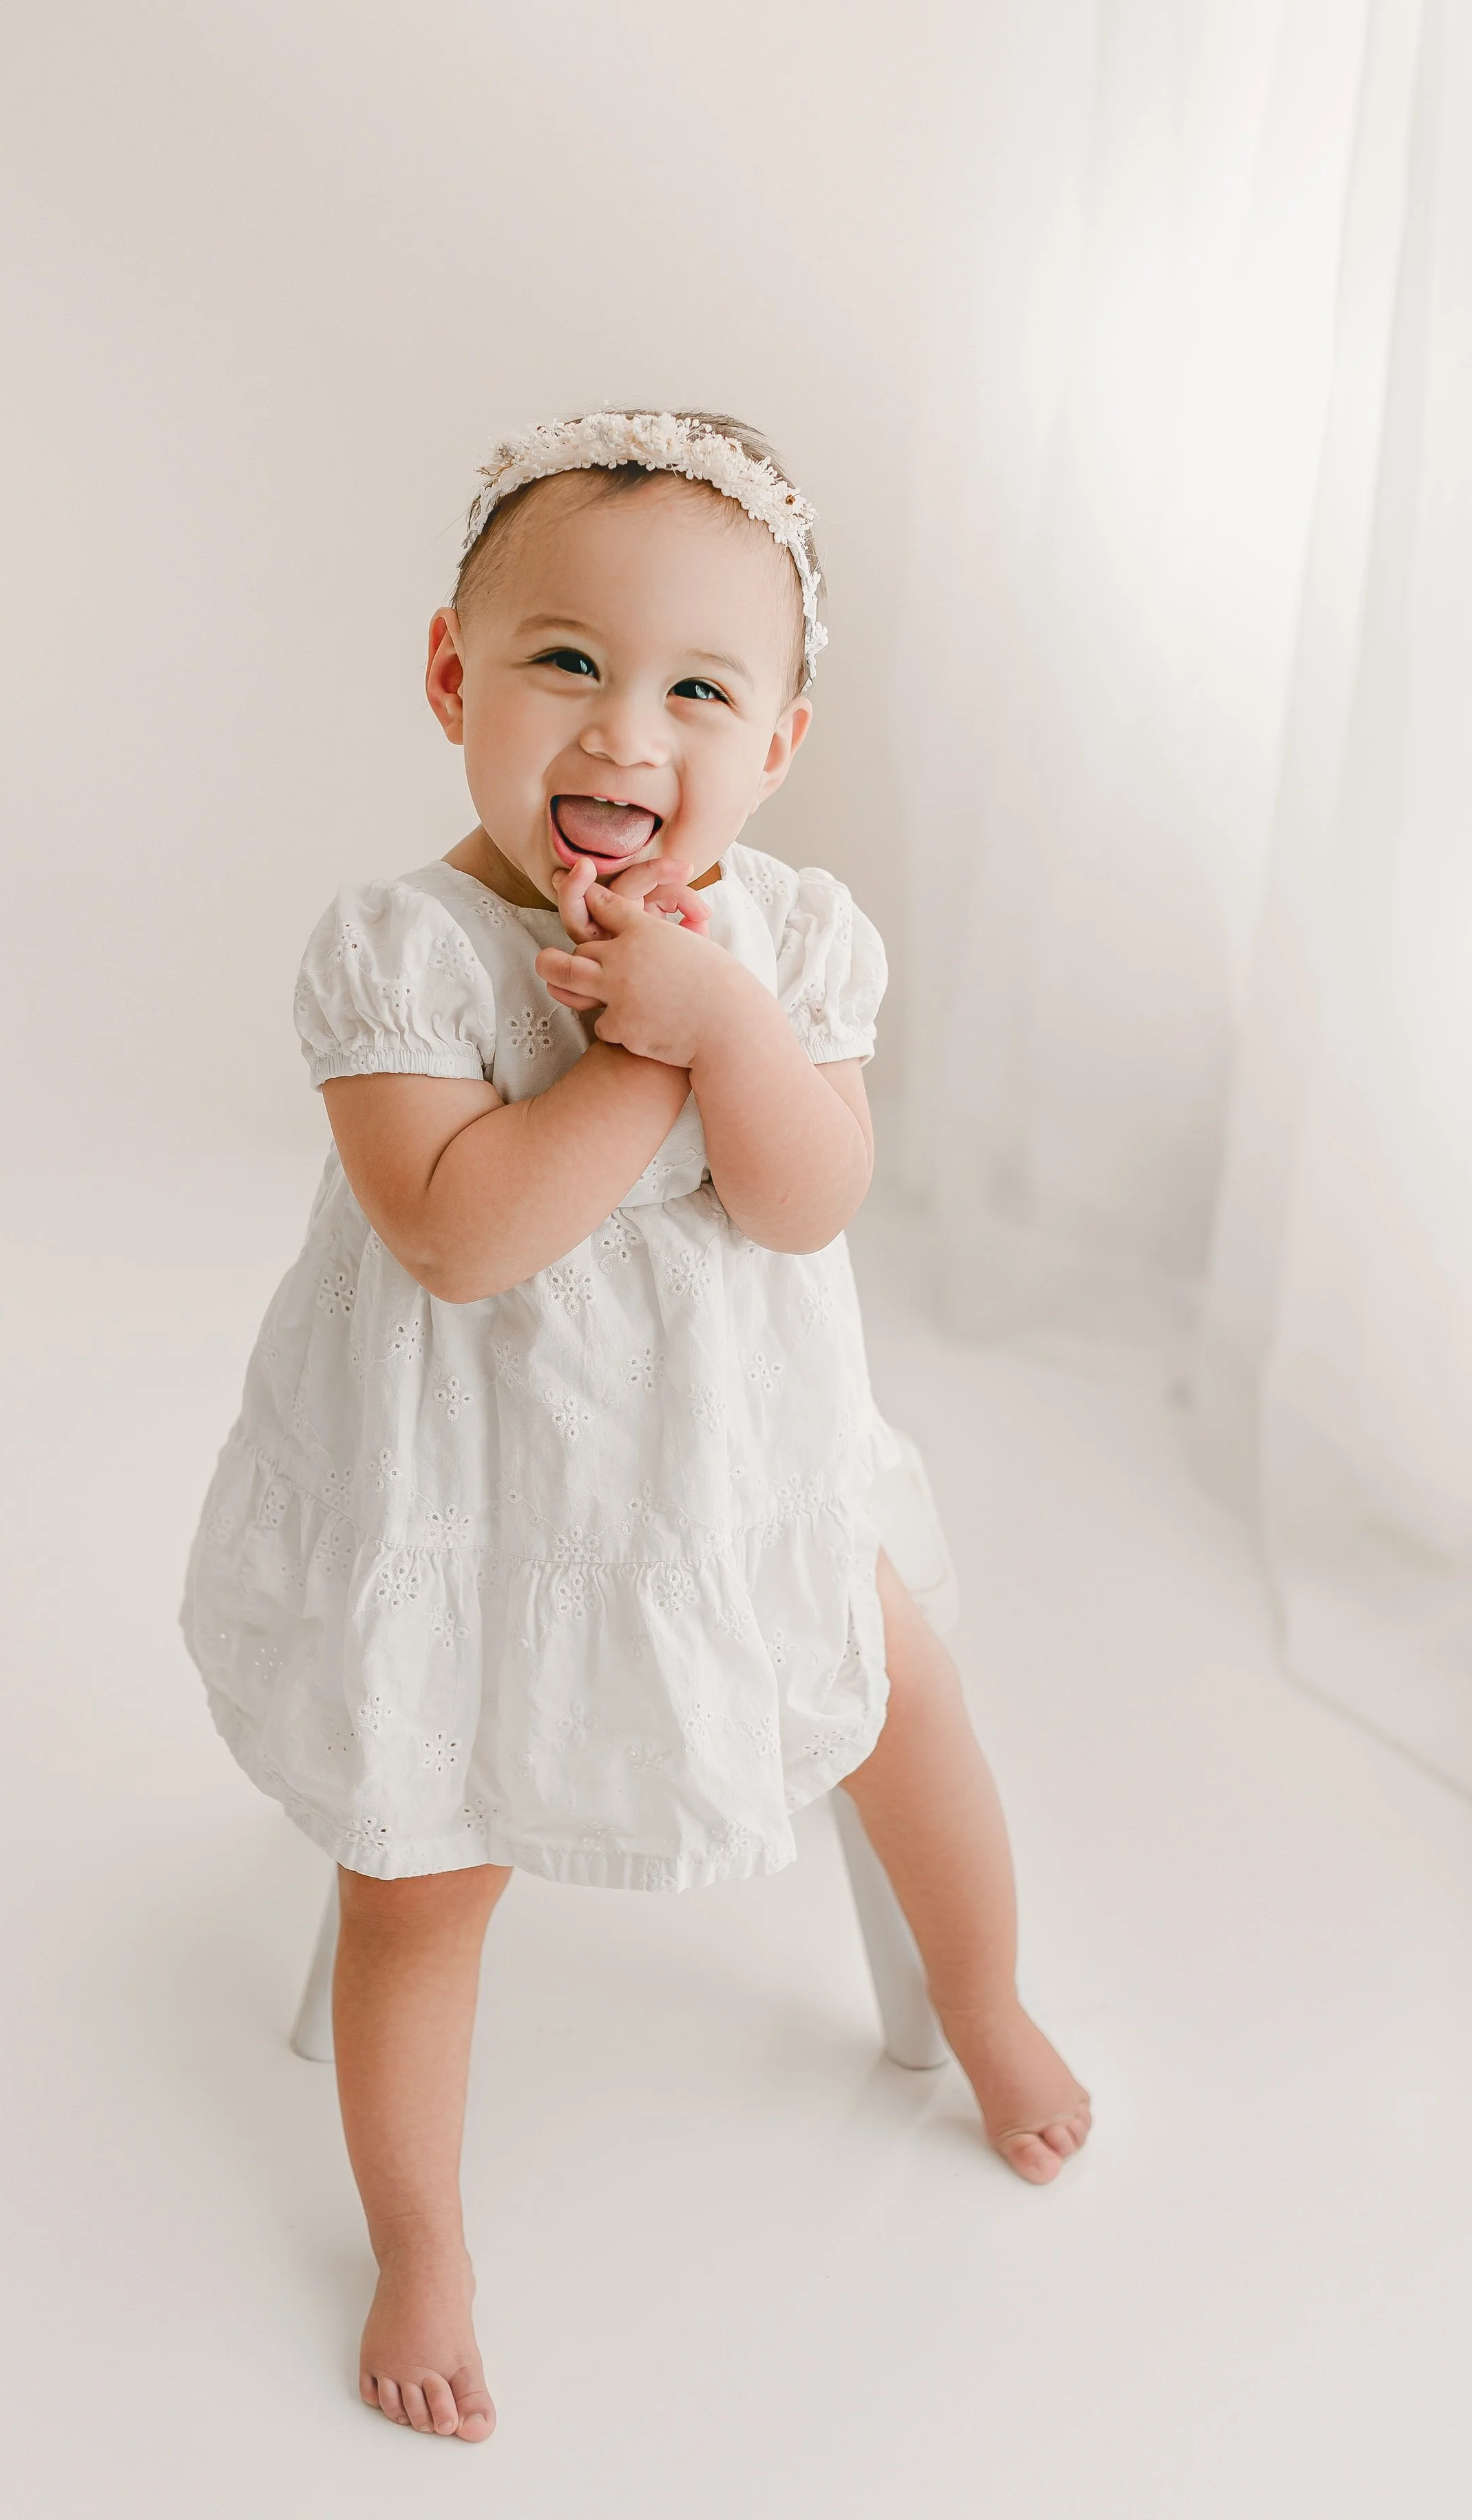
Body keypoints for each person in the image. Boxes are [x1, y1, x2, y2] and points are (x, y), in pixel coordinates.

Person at [180, 410, 1090, 2444]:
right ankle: (421, 2232)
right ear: (453, 679)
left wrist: (725, 1024)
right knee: (419, 1882)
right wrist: (631, 1068)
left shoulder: (787, 942)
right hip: (466, 1510)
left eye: (699, 688)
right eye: (565, 662)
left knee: (907, 1703)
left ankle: (984, 1997)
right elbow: (457, 1239)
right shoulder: (398, 950)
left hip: (726, 1495)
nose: (624, 731)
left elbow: (806, 1199)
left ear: (773, 746)